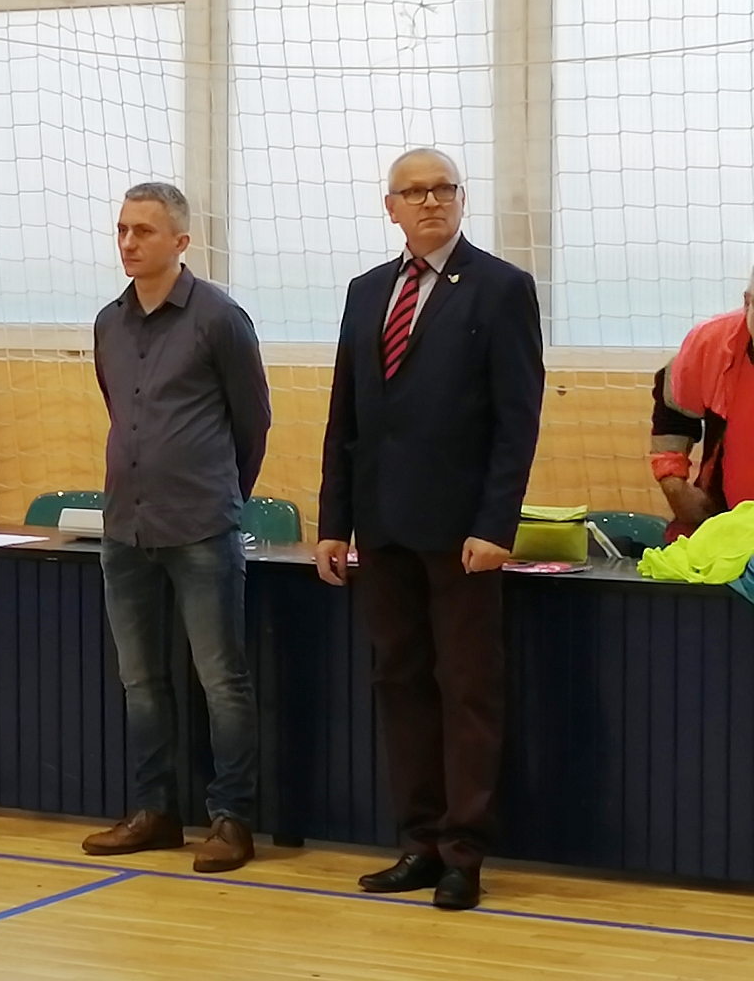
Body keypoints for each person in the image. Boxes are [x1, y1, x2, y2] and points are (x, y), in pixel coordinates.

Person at [315, 149, 543, 911]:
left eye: (443, 188)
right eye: (414, 192)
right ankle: (418, 843)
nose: (430, 201)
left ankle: (463, 854)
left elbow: (517, 420)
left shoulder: (501, 287)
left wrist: (496, 523)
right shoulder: (366, 292)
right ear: (391, 208)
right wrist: (334, 521)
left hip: (462, 536)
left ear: (462, 199)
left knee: (469, 690)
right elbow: (345, 417)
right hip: (382, 529)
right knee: (400, 683)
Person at [81, 182, 272, 873]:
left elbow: (253, 421)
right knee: (140, 679)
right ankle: (154, 811)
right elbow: (119, 408)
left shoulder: (220, 318)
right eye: (122, 229)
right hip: (125, 528)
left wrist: (220, 495)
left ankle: (231, 820)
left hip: (201, 528)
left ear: (181, 242)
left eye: (145, 231)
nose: (129, 242)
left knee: (221, 679)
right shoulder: (108, 322)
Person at [650, 272, 754, 540]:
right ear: (747, 302)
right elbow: (673, 403)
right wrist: (674, 484)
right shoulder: (710, 343)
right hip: (717, 525)